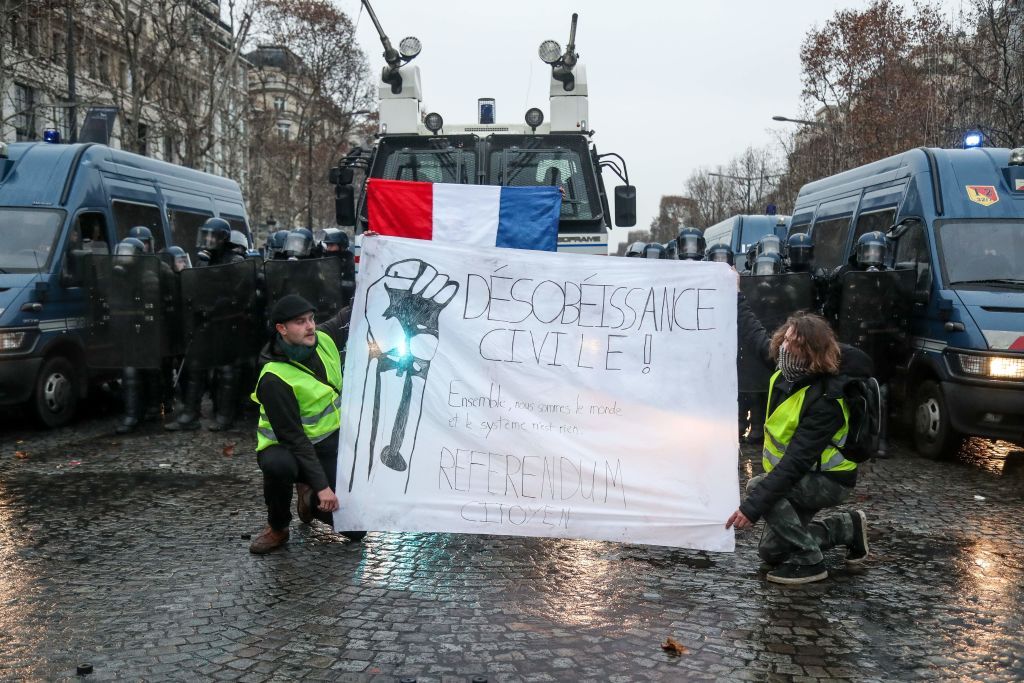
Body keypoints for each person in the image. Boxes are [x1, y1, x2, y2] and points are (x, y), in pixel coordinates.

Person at [726, 295, 869, 585]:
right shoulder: (787, 368)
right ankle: (847, 528)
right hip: (802, 478)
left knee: (758, 485)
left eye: (794, 344)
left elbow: (795, 463)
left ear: (812, 353)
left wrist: (751, 508)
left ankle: (810, 561)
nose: (785, 348)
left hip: (830, 480)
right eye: (786, 340)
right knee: (770, 551)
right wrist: (735, 292)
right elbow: (754, 334)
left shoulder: (827, 398)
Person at [248, 294, 366, 554]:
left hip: (328, 444)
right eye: (300, 322)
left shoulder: (322, 339)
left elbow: (347, 317)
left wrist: (370, 287)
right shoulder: (274, 377)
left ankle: (308, 498)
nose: (310, 326)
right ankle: (278, 527)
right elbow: (295, 439)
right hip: (286, 448)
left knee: (356, 530)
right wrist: (324, 488)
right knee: (279, 467)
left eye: (311, 319)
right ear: (282, 329)